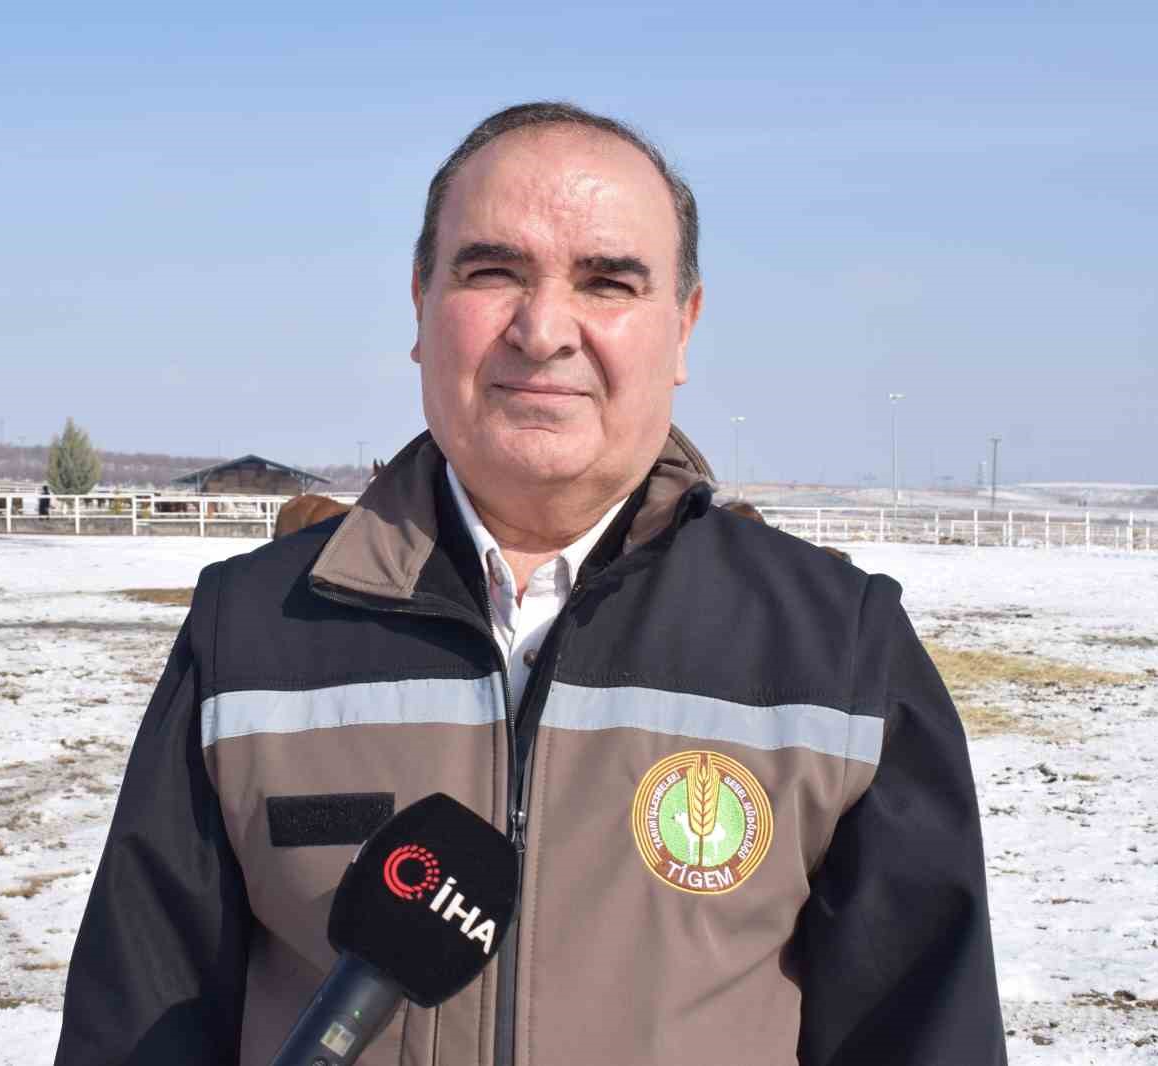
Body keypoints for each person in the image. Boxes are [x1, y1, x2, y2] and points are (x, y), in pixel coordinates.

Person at [55, 102, 1006, 1065]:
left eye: (608, 282)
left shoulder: (838, 649)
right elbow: (136, 1027)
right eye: (492, 272)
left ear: (683, 329)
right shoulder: (248, 633)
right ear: (420, 304)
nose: (544, 329)